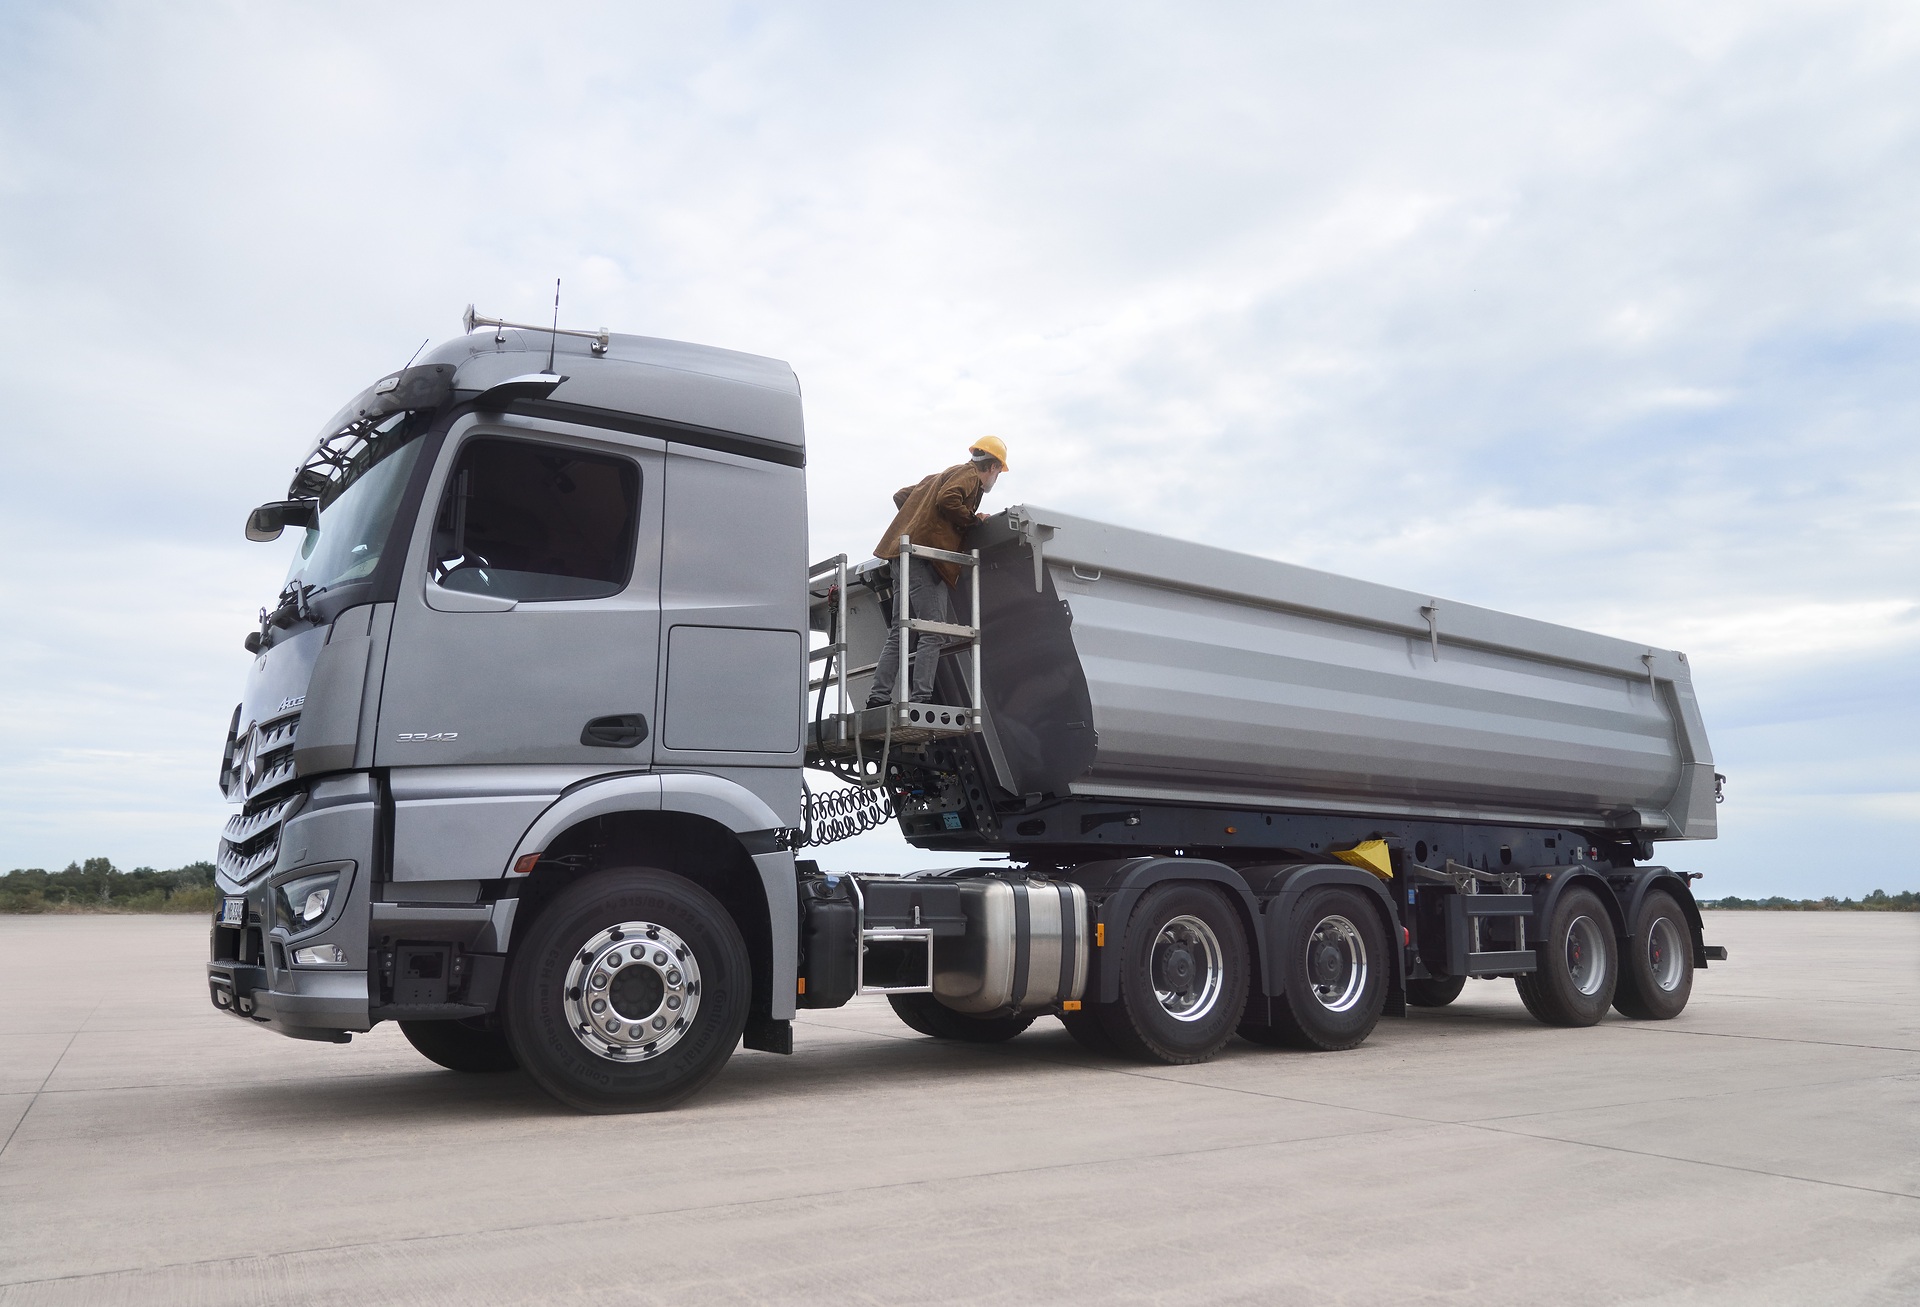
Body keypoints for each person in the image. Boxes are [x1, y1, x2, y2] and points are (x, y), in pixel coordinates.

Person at [865, 437, 1009, 708]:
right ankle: (921, 699)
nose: (996, 478)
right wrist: (971, 520)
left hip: (902, 557)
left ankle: (878, 696)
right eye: (998, 473)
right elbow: (948, 499)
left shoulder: (939, 476)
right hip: (924, 560)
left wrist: (923, 521)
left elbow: (901, 496)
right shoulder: (968, 476)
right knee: (933, 630)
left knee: (900, 630)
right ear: (992, 467)